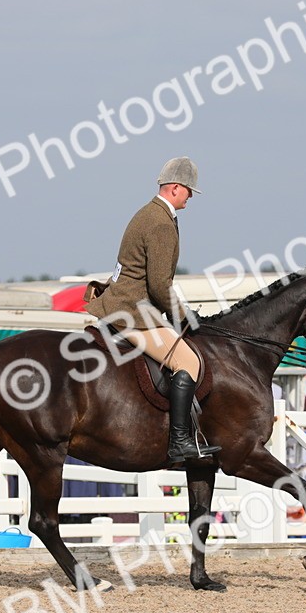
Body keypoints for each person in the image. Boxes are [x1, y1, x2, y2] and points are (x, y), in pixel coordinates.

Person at [85, 156, 220, 464]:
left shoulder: (148, 213)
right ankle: (180, 441)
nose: (190, 197)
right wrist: (185, 318)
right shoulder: (160, 223)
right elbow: (160, 285)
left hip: (123, 303)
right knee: (188, 362)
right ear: (175, 188)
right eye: (188, 191)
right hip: (132, 312)